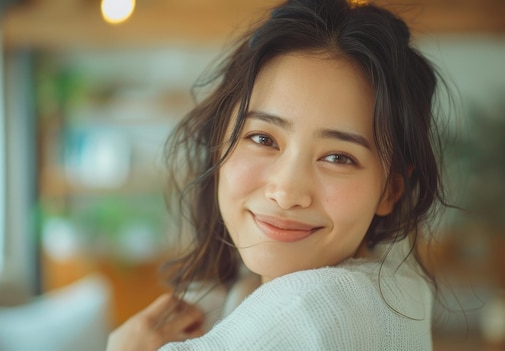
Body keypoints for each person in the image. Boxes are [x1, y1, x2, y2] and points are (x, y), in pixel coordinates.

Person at [107, 0, 448, 349]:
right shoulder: (391, 286)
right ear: (218, 140)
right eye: (262, 138)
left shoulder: (314, 312)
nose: (286, 192)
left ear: (390, 189)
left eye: (337, 157)